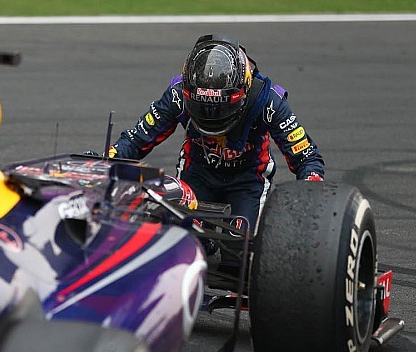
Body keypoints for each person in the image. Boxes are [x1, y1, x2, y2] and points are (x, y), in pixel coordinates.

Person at [109, 34, 325, 236]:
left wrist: (309, 192)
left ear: (244, 90)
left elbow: (306, 157)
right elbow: (136, 140)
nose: (211, 114)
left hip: (248, 181)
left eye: (219, 108)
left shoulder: (268, 101)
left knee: (240, 249)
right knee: (181, 237)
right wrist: (106, 159)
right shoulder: (178, 95)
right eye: (202, 107)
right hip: (197, 175)